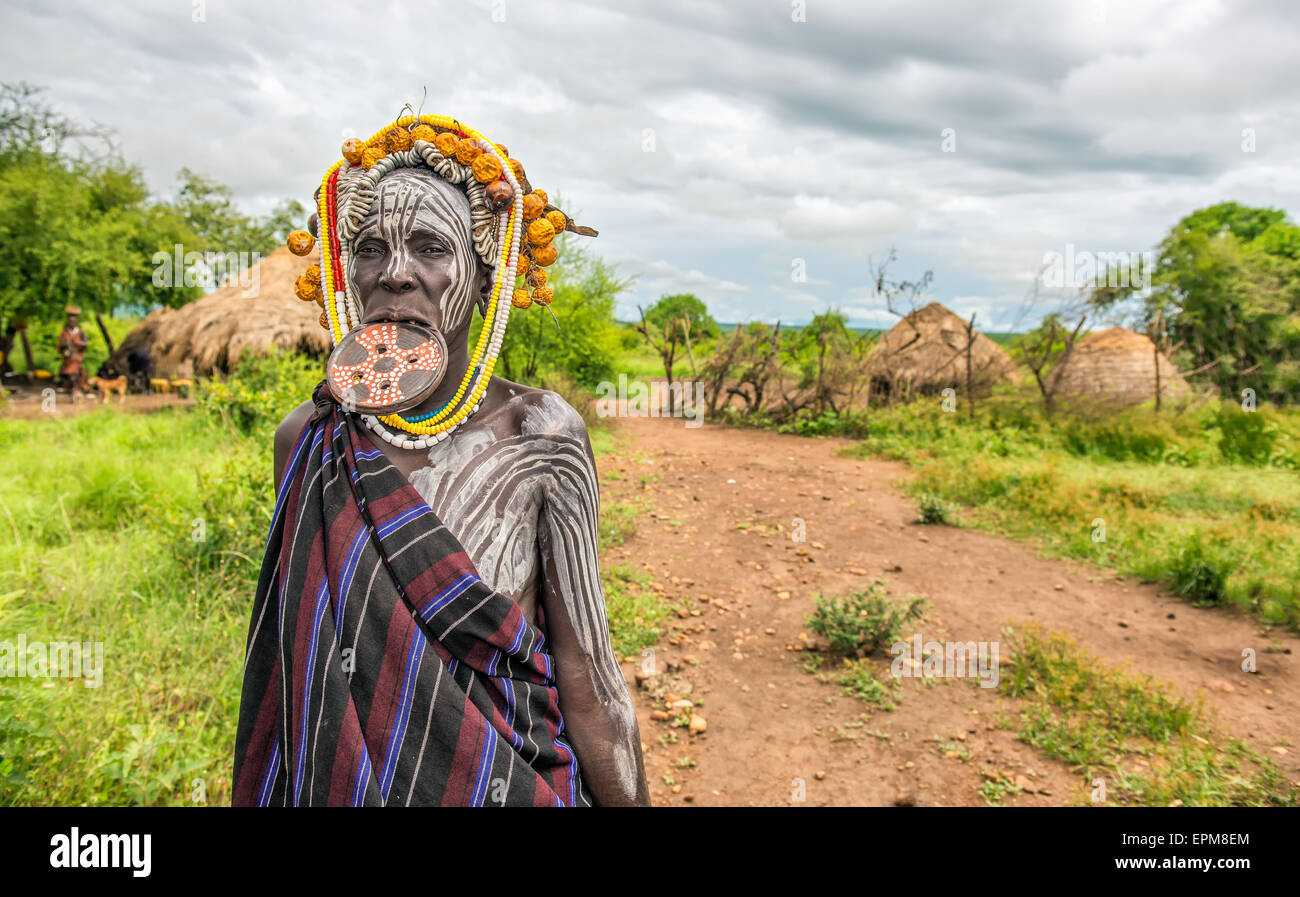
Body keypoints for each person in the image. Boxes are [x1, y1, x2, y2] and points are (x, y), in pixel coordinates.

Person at [232, 114, 649, 806]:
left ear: (487, 277)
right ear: (347, 275)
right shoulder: (307, 440)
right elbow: (298, 673)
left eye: (430, 247)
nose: (396, 272)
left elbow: (590, 678)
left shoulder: (542, 437)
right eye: (370, 249)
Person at [58, 306, 89, 392]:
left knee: (75, 373)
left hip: (77, 358)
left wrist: (76, 343)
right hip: (67, 358)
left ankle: (76, 388)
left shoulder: (81, 332)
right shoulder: (64, 332)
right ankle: (70, 388)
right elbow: (60, 345)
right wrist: (66, 344)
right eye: (70, 320)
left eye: (73, 320)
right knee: (66, 374)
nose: (72, 322)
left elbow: (85, 344)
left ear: (76, 322)